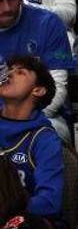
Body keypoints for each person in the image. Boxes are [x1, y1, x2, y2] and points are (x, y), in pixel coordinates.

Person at [0, 0, 71, 125]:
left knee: (54, 128)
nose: (7, 8)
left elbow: (57, 88)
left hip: (39, 116)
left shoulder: (48, 23)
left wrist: (17, 122)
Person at [0, 54, 62, 219]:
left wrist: (7, 208)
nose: (9, 74)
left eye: (20, 72)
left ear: (38, 90)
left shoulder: (44, 139)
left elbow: (49, 203)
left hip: (19, 226)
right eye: (9, 70)